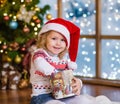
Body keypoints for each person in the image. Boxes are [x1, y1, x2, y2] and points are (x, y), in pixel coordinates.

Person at [29, 18, 95, 104]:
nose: (58, 43)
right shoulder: (39, 54)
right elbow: (42, 66)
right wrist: (57, 74)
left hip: (61, 94)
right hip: (41, 95)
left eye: (62, 40)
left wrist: (78, 83)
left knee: (83, 100)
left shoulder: (62, 59)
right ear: (44, 39)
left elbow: (69, 77)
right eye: (54, 38)